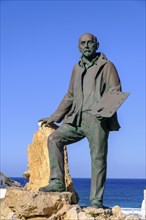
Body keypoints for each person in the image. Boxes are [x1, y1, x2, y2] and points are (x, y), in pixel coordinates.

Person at [38, 33, 122, 208]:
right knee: (54, 139)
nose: (86, 46)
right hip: (76, 118)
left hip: (97, 119)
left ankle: (96, 201)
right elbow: (69, 96)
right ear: (78, 47)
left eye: (90, 43)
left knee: (98, 158)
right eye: (82, 43)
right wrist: (54, 117)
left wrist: (105, 111)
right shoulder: (76, 68)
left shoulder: (107, 66)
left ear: (97, 45)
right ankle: (57, 182)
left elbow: (115, 90)